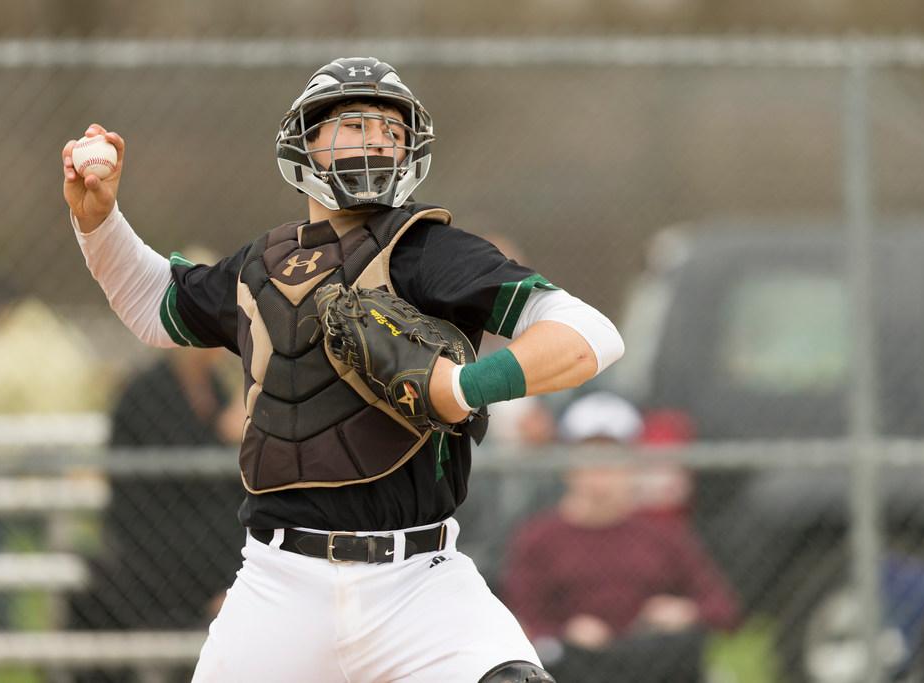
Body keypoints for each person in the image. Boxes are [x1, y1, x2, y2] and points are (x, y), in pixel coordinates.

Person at [60, 57, 624, 683]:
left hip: (419, 583)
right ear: (306, 142)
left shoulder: (427, 252)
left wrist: (461, 388)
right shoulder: (260, 266)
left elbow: (589, 335)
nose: (377, 138)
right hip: (279, 586)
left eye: (392, 129)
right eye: (354, 124)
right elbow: (153, 305)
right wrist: (99, 221)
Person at [502, 392, 741, 683]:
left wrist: (684, 612)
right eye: (590, 459)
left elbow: (723, 607)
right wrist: (565, 632)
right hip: (576, 667)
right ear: (568, 464)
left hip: (649, 664)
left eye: (612, 460)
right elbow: (520, 618)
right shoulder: (539, 537)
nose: (601, 474)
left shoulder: (663, 534)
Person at [67, 343, 245, 683]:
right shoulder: (148, 393)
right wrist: (225, 435)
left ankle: (227, 592)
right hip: (152, 549)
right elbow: (181, 483)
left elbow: (224, 490)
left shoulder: (213, 387)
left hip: (206, 548)